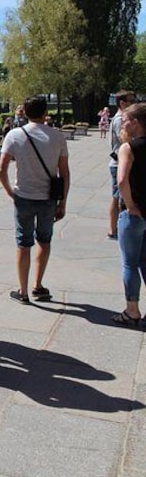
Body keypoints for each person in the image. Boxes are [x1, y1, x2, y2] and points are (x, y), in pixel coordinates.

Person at [0, 95, 70, 305]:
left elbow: (1, 170)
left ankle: (23, 291)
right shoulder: (57, 136)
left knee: (23, 243)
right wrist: (63, 202)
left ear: (25, 112)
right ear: (45, 112)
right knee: (44, 241)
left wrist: (10, 191)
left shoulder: (14, 135)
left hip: (24, 196)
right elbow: (64, 173)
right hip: (48, 197)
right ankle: (38, 285)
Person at [112, 102, 146, 325]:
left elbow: (122, 179)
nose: (122, 124)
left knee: (130, 263)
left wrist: (130, 204)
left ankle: (132, 310)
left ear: (135, 123)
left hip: (134, 213)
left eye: (125, 120)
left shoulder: (129, 148)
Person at [109, 91, 135, 239]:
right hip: (119, 163)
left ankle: (114, 229)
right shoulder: (120, 119)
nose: (134, 103)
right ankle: (116, 229)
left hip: (119, 162)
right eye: (131, 101)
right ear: (122, 103)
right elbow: (125, 139)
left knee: (117, 196)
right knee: (120, 197)